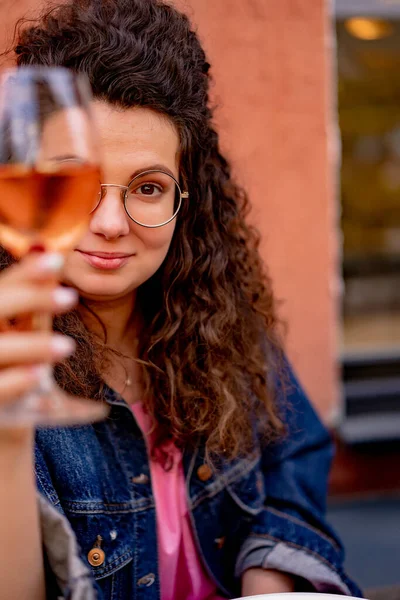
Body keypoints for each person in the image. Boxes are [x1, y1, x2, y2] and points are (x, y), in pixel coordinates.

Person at [0, 1, 362, 599]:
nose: (112, 222)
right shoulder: (13, 367)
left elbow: (296, 449)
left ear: (185, 198)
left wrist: (269, 570)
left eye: (147, 187)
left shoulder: (218, 317)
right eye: (79, 183)